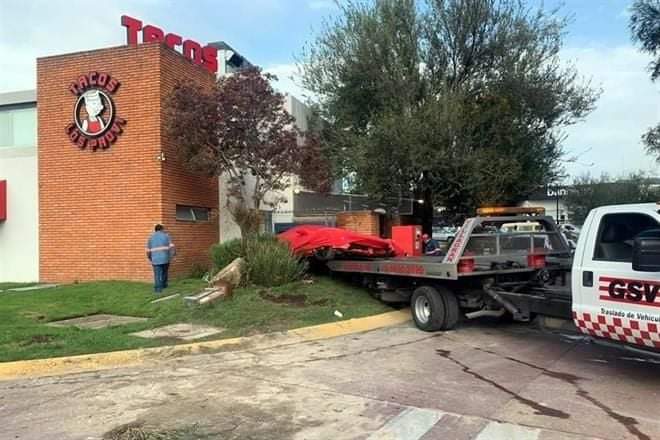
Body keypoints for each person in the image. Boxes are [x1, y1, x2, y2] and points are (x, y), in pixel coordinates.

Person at [146, 224, 176, 294]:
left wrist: (150, 258)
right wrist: (173, 255)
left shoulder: (150, 238)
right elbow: (172, 247)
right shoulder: (166, 236)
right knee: (164, 272)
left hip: (155, 259)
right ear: (162, 229)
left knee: (157, 274)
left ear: (155, 230)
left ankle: (158, 290)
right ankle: (164, 285)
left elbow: (148, 250)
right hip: (165, 258)